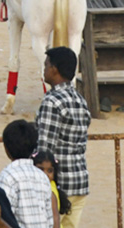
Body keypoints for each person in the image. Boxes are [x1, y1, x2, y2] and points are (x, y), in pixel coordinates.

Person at [35, 47, 90, 228]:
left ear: (55, 69)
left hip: (60, 186)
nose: (44, 69)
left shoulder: (52, 101)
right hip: (79, 181)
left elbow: (45, 150)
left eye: (46, 65)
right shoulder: (80, 99)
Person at [0, 120, 57, 228]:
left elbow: (4, 215)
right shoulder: (42, 176)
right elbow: (50, 219)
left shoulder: (7, 176)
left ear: (6, 149)